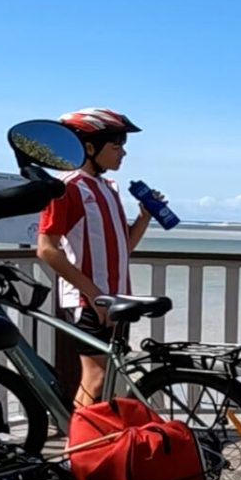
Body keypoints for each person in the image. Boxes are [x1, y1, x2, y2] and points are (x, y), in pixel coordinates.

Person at [34, 107, 157, 406]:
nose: (123, 154)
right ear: (89, 148)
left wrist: (144, 217)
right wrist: (93, 293)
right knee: (97, 378)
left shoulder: (107, 187)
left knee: (110, 380)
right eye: (116, 147)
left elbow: (122, 248)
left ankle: (96, 446)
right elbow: (46, 249)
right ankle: (75, 449)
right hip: (88, 299)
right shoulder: (67, 186)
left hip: (114, 298)